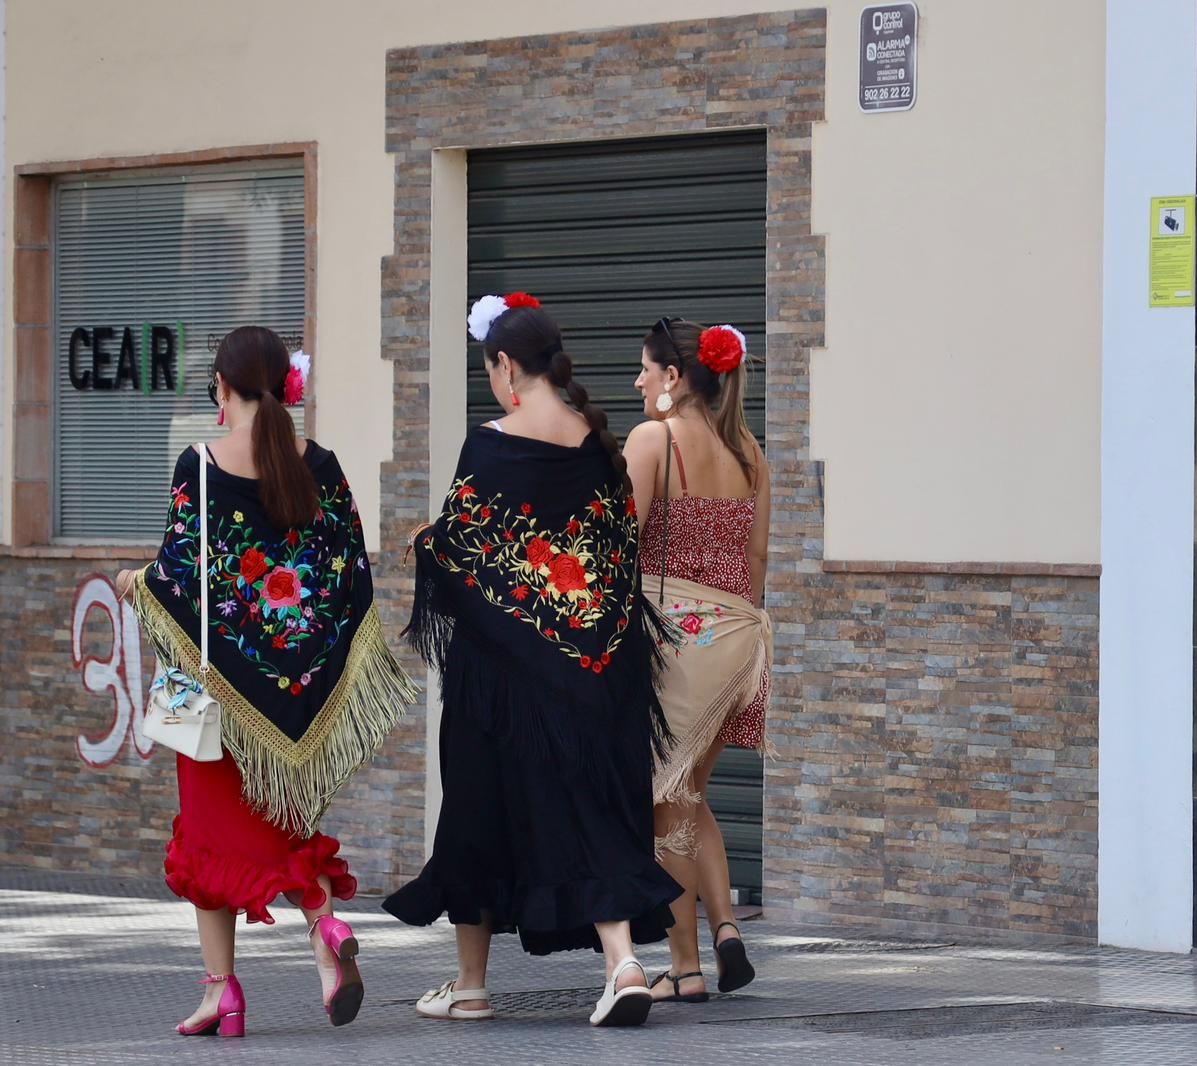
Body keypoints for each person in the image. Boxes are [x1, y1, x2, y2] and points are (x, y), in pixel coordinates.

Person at [383, 293, 681, 1028]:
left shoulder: (489, 444)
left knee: (477, 813)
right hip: (595, 671)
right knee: (592, 812)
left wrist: (426, 543)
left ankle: (472, 985)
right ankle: (624, 963)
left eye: (490, 370)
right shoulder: (600, 447)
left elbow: (466, 551)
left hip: (500, 684)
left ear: (507, 365)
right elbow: (611, 566)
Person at [118, 326, 416, 1037]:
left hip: (218, 692)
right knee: (268, 824)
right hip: (293, 698)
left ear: (221, 386)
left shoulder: (200, 462)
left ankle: (271, 955)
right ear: (286, 386)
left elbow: (180, 574)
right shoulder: (325, 466)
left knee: (206, 835)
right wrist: (305, 664)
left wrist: (137, 583)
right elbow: (349, 578)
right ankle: (285, 952)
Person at [624, 317, 772, 1004]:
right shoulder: (749, 450)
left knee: (666, 804)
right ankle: (726, 933)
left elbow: (621, 544)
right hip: (741, 638)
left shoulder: (654, 439)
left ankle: (684, 971)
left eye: (647, 369)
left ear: (674, 378)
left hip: (679, 639)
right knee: (690, 796)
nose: (639, 380)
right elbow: (757, 561)